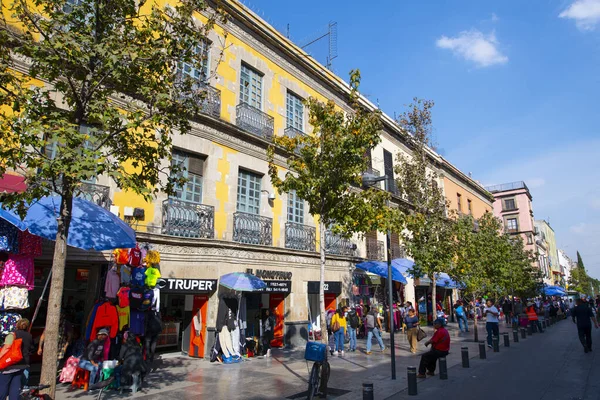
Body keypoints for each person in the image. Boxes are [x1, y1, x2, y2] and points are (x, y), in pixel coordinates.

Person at [0, 318, 32, 400]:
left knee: (3, 387)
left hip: (10, 364)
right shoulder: (29, 335)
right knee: (15, 388)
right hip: (21, 364)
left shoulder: (12, 335)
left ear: (17, 325)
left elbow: (7, 347)